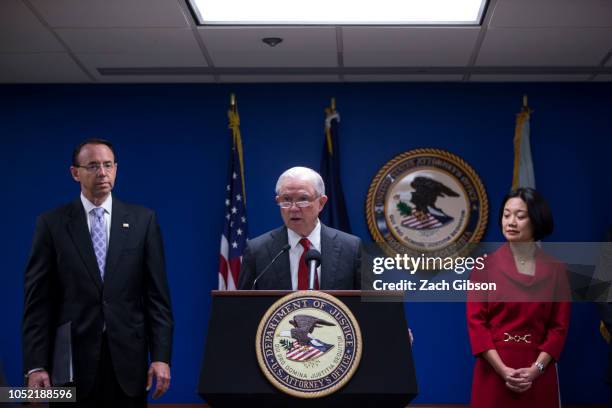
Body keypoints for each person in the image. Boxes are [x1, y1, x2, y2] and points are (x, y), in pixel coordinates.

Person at [22, 139, 174, 407]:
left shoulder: (143, 221)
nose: (102, 173)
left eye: (108, 165)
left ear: (116, 169)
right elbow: (37, 304)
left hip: (128, 365)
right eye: (93, 166)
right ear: (75, 173)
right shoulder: (51, 224)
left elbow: (157, 298)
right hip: (70, 367)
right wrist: (35, 366)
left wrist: (161, 357)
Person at [466, 188, 571, 407]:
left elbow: (558, 327)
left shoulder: (556, 270)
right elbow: (477, 324)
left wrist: (536, 370)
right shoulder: (483, 267)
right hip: (494, 374)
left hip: (538, 376)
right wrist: (503, 371)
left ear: (537, 220)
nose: (511, 222)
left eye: (520, 216)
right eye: (506, 215)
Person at [237, 166, 362, 290]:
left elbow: (368, 307)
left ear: (321, 203)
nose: (293, 208)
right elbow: (242, 306)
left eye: (303, 199)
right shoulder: (257, 251)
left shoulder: (351, 248)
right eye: (286, 200)